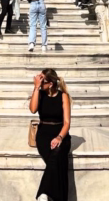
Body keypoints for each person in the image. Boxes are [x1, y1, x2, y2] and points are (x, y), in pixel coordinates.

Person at [29, 68, 73, 201]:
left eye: (42, 81)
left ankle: (43, 194)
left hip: (61, 133)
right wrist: (36, 88)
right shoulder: (39, 93)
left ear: (51, 84)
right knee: (57, 159)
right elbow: (33, 109)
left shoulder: (63, 96)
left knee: (57, 152)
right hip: (43, 134)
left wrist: (59, 137)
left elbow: (67, 123)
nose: (39, 82)